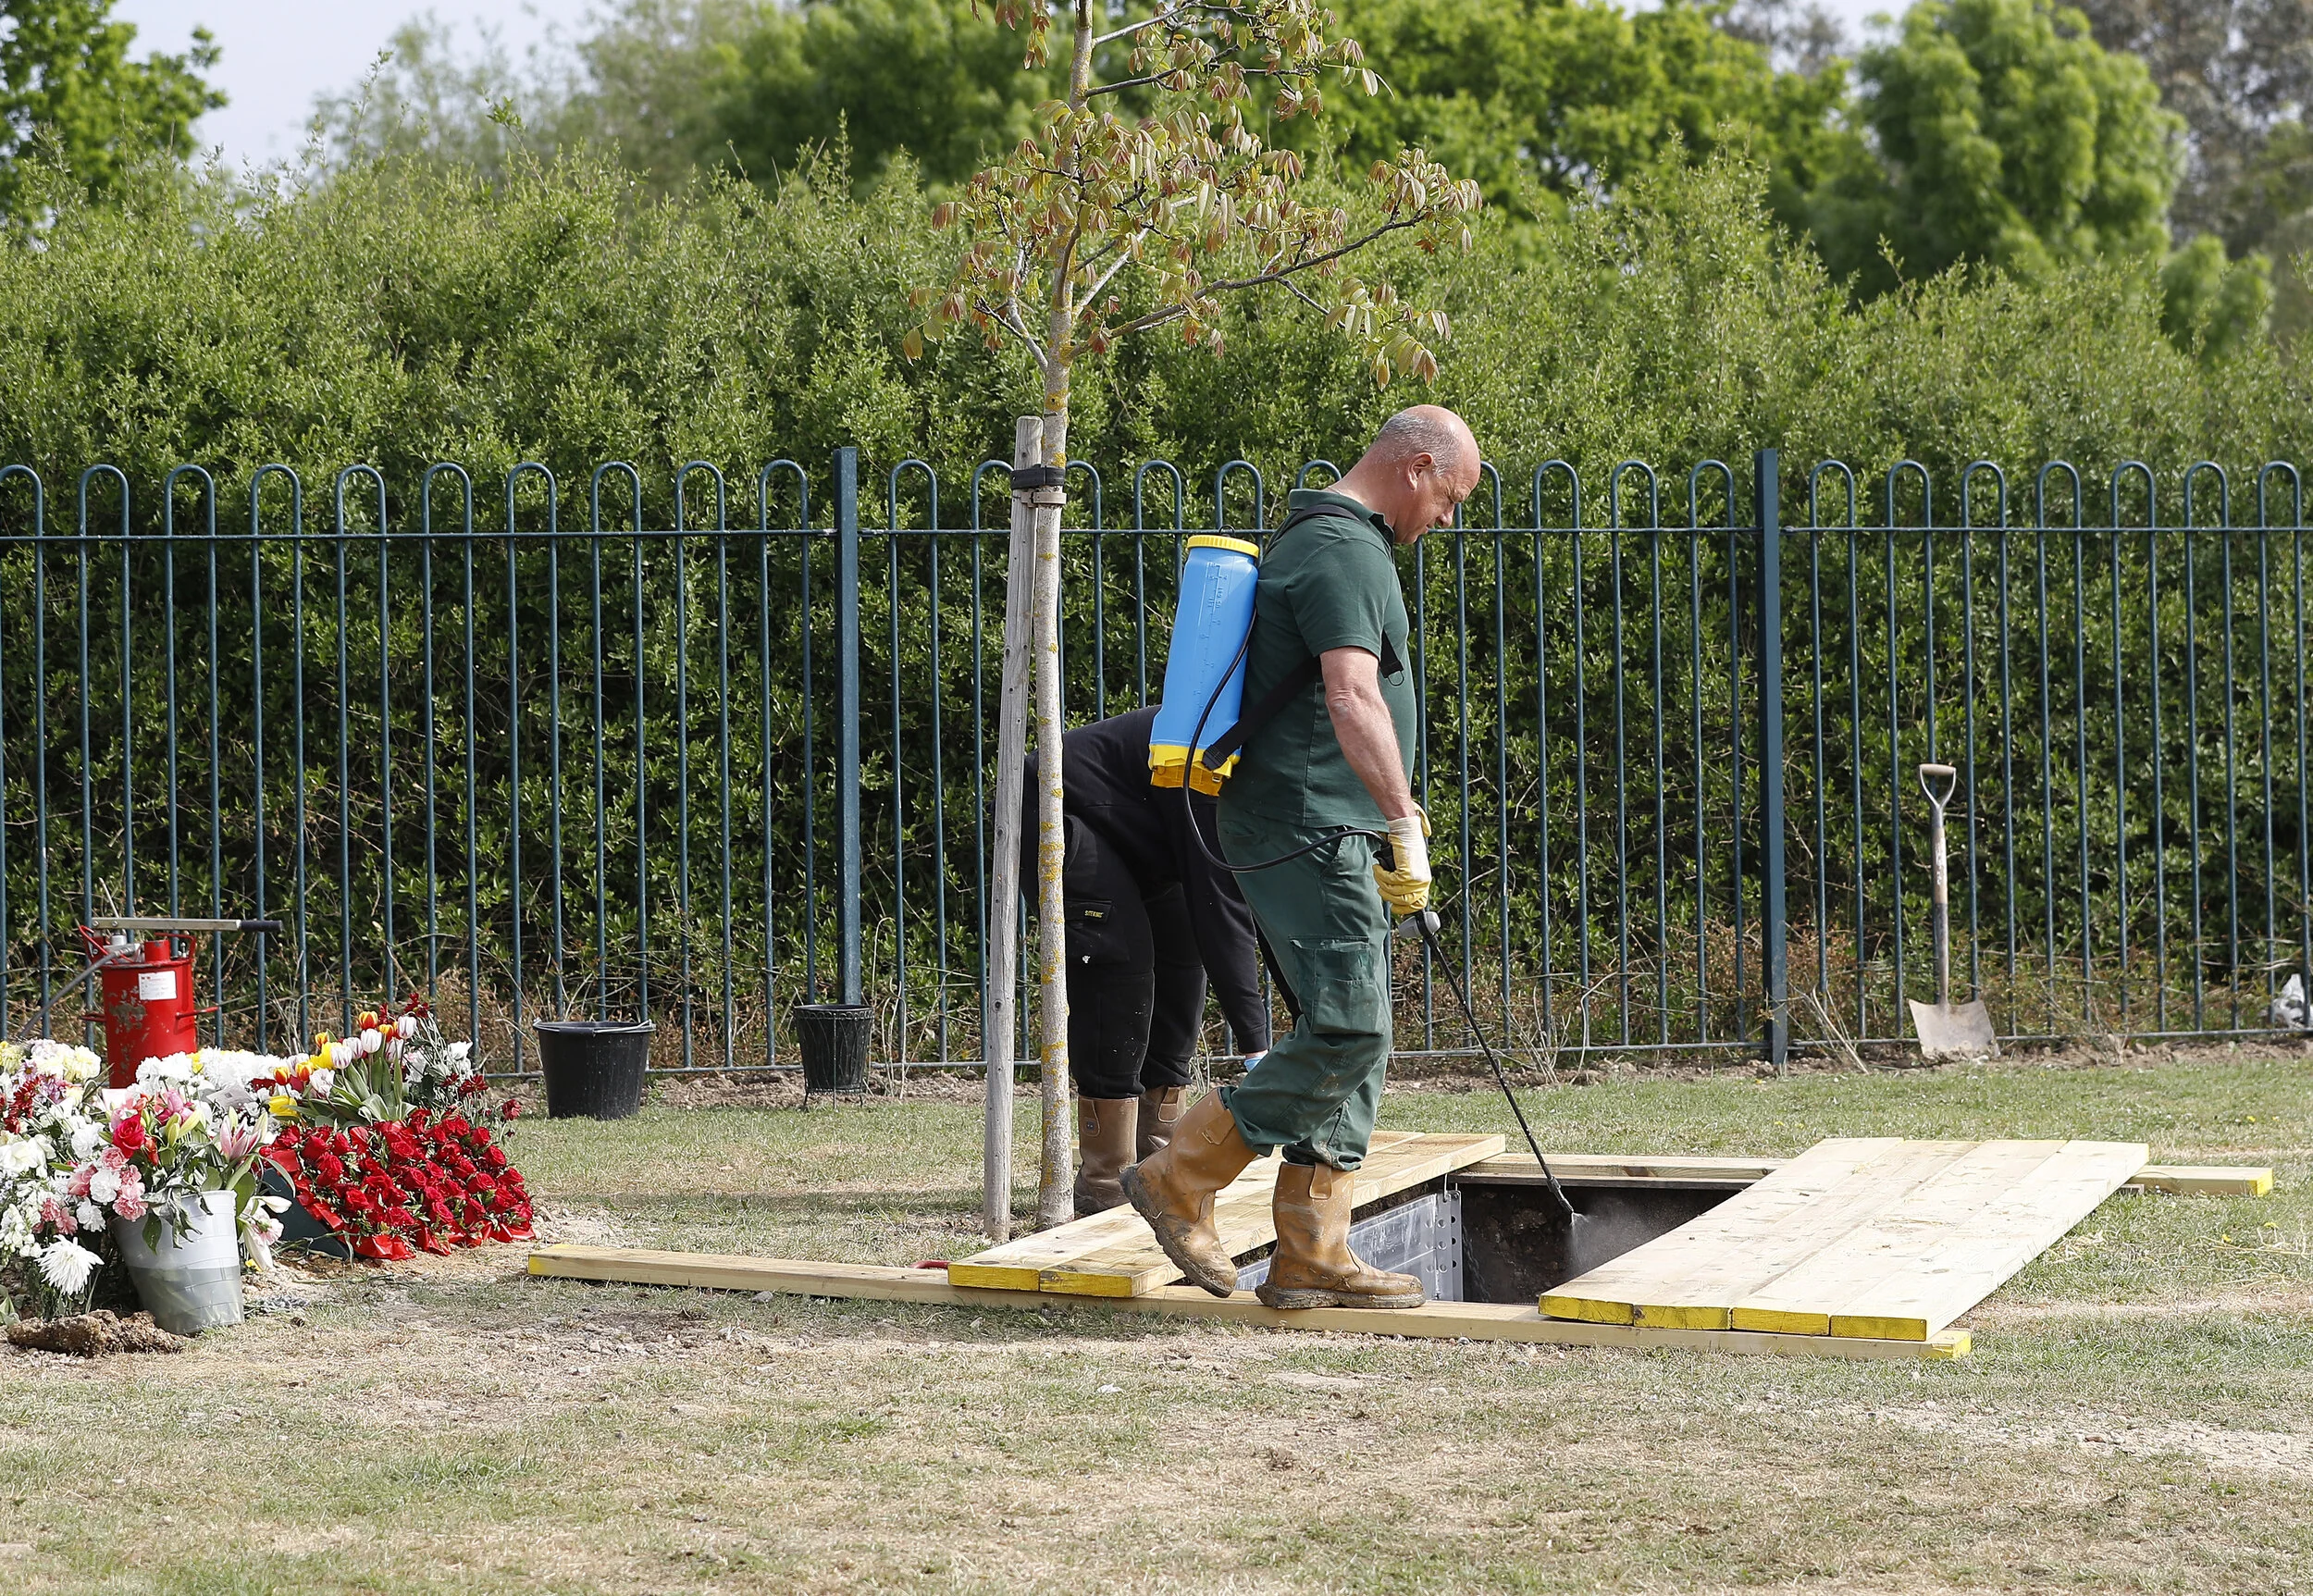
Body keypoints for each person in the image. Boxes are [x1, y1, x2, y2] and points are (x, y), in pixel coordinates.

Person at [1122, 405, 1481, 1310]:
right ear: (1417, 465)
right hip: (1305, 828)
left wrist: (1388, 817)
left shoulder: (1328, 541)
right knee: (1352, 1028)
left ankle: (1313, 1252)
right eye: (1449, 497)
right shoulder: (1343, 550)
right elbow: (1351, 693)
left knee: (1350, 1030)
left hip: (1319, 824)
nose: (1447, 520)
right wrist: (1399, 818)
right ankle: (1181, 1176)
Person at [1018, 705, 1272, 1216]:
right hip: (1061, 805)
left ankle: (1154, 1158)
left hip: (1139, 830)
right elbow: (1223, 908)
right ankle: (1104, 1179)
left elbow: (1251, 911)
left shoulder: (1273, 778)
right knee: (1121, 966)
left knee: (1186, 961)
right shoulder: (1216, 761)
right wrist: (1257, 1049)